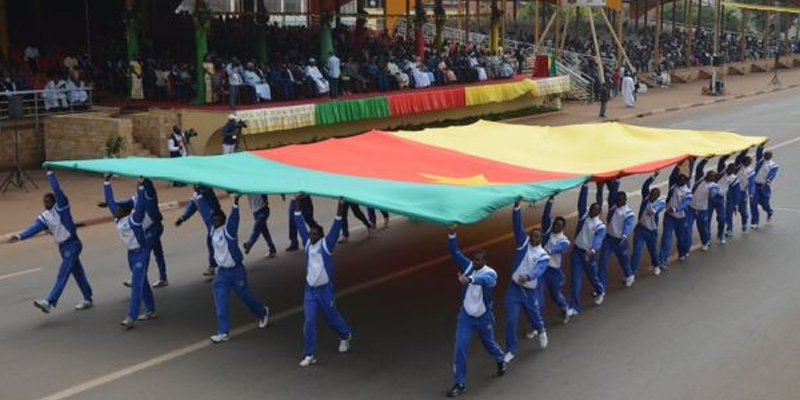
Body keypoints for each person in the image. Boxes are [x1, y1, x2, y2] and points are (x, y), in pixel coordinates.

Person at [7, 169, 93, 314]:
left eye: (48, 201)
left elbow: (57, 189)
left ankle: (49, 301)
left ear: (54, 201)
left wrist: (50, 174)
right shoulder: (45, 216)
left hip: (73, 244)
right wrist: (19, 236)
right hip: (62, 247)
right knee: (76, 271)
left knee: (63, 272)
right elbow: (34, 228)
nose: (45, 203)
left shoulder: (62, 207)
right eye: (44, 202)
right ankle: (88, 298)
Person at [445, 225, 508, 398]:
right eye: (474, 259)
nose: (476, 262)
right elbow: (455, 252)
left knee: (489, 345)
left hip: (483, 317)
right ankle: (459, 383)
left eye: (479, 260)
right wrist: (452, 234)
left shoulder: (491, 274)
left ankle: (500, 358)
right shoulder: (468, 266)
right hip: (465, 316)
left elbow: (482, 280)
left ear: (485, 261)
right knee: (460, 348)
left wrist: (469, 279)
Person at [293, 197, 353, 367]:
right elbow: (298, 221)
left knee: (331, 317)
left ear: (321, 236)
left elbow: (336, 224)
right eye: (310, 234)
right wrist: (296, 201)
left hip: (325, 291)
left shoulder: (326, 245)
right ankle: (309, 354)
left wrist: (341, 205)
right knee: (309, 321)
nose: (311, 236)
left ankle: (345, 335)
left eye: (314, 234)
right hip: (310, 291)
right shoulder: (307, 244)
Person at [209, 195, 270, 343]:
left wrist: (235, 203)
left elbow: (234, 219)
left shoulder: (228, 230)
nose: (215, 222)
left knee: (245, 296)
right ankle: (223, 332)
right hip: (222, 273)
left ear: (223, 221)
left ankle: (263, 311)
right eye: (213, 220)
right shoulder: (212, 231)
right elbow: (206, 210)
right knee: (221, 300)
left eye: (218, 220)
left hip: (236, 271)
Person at [104, 176, 156, 329]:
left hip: (141, 252)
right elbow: (110, 200)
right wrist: (106, 181)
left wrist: (140, 186)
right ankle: (151, 309)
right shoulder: (118, 218)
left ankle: (131, 317)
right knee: (142, 280)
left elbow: (140, 204)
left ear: (125, 211)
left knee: (136, 284)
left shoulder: (135, 219)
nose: (115, 210)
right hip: (130, 254)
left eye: (118, 209)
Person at [503, 198, 550, 364]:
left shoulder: (543, 255)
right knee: (511, 319)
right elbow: (517, 227)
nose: (534, 238)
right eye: (532, 236)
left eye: (538, 237)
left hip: (529, 290)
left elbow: (539, 270)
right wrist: (516, 207)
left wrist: (528, 277)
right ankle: (510, 350)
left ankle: (541, 330)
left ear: (541, 239)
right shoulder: (523, 245)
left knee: (534, 316)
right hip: (514, 289)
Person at [101, 178, 169, 288]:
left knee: (145, 251)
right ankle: (163, 277)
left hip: (154, 227)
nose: (137, 184)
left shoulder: (149, 194)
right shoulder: (138, 196)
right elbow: (128, 202)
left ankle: (137, 278)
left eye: (139, 183)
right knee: (158, 252)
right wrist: (111, 203)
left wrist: (143, 183)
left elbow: (146, 193)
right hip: (147, 228)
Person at [569, 183, 607, 315]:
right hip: (577, 252)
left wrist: (591, 251)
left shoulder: (600, 226)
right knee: (575, 278)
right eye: (592, 208)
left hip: (588, 254)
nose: (593, 211)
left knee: (592, 276)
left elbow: (598, 240)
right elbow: (581, 202)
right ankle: (574, 306)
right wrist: (584, 186)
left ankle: (600, 291)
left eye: (596, 210)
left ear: (599, 212)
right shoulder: (583, 217)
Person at [539, 196, 573, 323]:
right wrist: (550, 201)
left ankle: (565, 308)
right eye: (555, 224)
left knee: (556, 296)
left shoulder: (564, 241)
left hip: (554, 272)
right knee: (538, 296)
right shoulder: (547, 232)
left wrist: (546, 251)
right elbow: (545, 217)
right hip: (542, 270)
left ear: (563, 228)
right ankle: (537, 324)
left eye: (559, 225)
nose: (555, 226)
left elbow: (556, 249)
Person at [176, 185, 221, 277]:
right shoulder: (196, 195)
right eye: (194, 185)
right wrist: (182, 218)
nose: (194, 186)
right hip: (210, 225)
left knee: (216, 243)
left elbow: (215, 205)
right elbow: (191, 206)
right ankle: (214, 266)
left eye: (196, 184)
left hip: (216, 223)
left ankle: (221, 266)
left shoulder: (207, 191)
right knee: (211, 243)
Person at [598, 180, 636, 288]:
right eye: (617, 199)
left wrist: (624, 235)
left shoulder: (629, 213)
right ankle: (601, 287)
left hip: (620, 241)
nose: (618, 201)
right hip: (609, 239)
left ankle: (629, 275)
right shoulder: (613, 206)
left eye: (621, 200)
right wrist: (617, 179)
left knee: (623, 261)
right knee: (602, 262)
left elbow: (627, 225)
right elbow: (613, 191)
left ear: (625, 200)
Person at [629, 172, 666, 276]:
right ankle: (631, 273)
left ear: (658, 196)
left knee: (653, 250)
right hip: (640, 229)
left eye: (655, 195)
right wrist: (654, 176)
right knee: (637, 251)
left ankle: (656, 265)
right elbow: (645, 186)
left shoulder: (661, 203)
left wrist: (652, 208)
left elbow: (655, 210)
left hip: (651, 231)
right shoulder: (646, 198)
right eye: (651, 194)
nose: (651, 196)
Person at [658, 167, 693, 272]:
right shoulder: (673, 185)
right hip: (669, 217)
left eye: (682, 180)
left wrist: (674, 208)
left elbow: (685, 204)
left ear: (686, 182)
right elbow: (672, 176)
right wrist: (679, 164)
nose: (679, 181)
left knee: (682, 239)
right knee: (666, 239)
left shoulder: (687, 193)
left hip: (681, 218)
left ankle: (682, 252)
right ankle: (663, 260)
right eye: (679, 179)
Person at [687, 164, 719, 252]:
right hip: (691, 208)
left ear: (714, 178)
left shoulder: (714, 186)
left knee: (702, 228)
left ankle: (705, 242)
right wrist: (705, 160)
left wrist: (711, 191)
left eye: (712, 176)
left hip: (702, 210)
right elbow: (699, 168)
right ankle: (686, 247)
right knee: (687, 228)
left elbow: (713, 195)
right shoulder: (700, 179)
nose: (710, 177)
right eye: (709, 175)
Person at [243, 194, 277, 258]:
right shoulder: (247, 185)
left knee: (257, 229)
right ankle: (272, 249)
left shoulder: (257, 184)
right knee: (264, 232)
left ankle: (249, 244)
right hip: (255, 212)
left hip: (262, 210)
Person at [751, 149, 779, 228]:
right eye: (765, 154)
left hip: (764, 187)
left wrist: (767, 182)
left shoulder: (773, 165)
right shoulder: (760, 161)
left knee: (764, 205)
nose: (765, 156)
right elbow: (758, 152)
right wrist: (761, 145)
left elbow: (772, 175)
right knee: (753, 203)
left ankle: (769, 211)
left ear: (771, 156)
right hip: (755, 185)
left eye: (767, 155)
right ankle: (755, 222)